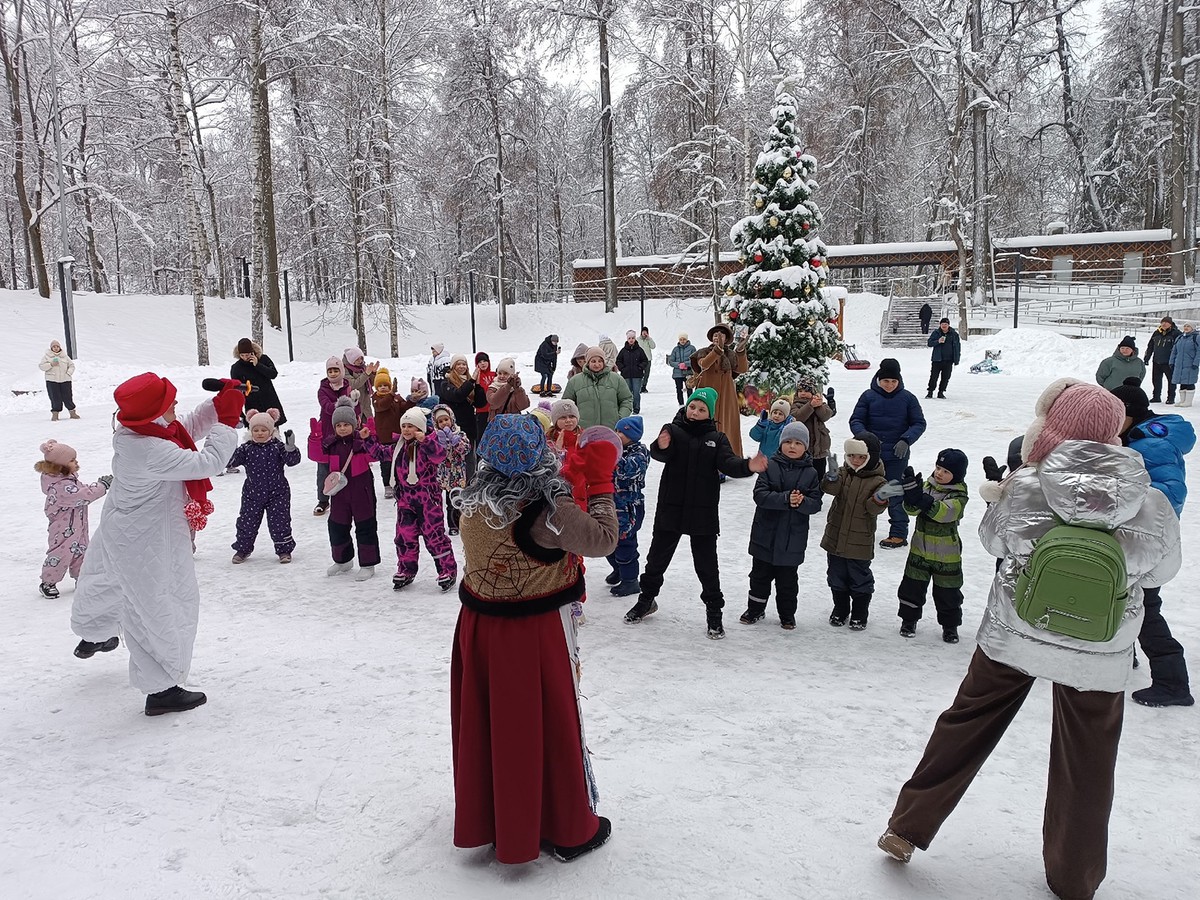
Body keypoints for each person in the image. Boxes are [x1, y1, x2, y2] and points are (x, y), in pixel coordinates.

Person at [878, 380, 1180, 900]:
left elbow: (992, 539)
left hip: (1015, 632)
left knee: (966, 724)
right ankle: (1074, 879)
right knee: (1088, 762)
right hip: (1100, 649)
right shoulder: (1147, 499)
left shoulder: (1028, 484)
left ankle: (906, 828)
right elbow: (1162, 571)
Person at [451, 414, 619, 864]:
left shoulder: (473, 497)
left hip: (480, 626)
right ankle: (565, 827)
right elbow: (603, 541)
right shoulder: (549, 510)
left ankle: (494, 817)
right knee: (546, 722)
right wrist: (601, 484)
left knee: (492, 724)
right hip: (533, 631)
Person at [71, 373, 243, 716]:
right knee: (164, 603)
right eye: (169, 404)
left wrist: (218, 403)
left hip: (123, 526)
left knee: (110, 581)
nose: (176, 407)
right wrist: (225, 422)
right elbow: (206, 462)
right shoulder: (149, 450)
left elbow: (185, 427)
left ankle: (94, 632)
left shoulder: (142, 431)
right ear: (153, 413)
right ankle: (161, 688)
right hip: (148, 537)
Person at [623, 387, 769, 639]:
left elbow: (729, 464)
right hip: (671, 507)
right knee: (657, 559)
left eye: (702, 409)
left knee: (707, 566)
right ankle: (646, 600)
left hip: (702, 512)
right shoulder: (673, 429)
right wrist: (660, 444)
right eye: (693, 406)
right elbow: (659, 453)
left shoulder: (717, 438)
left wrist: (748, 466)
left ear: (709, 413)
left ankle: (714, 612)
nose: (695, 411)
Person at [1109, 377, 1195, 707]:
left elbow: (1167, 497)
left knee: (1145, 607)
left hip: (1147, 541)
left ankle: (1173, 682)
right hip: (1141, 537)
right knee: (1128, 600)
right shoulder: (1139, 437)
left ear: (1128, 413)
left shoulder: (1147, 447)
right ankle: (1123, 651)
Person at [739, 422, 822, 630]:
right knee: (759, 577)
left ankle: (787, 614)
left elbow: (816, 504)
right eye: (787, 442)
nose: (792, 446)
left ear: (806, 447)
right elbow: (760, 495)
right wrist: (786, 499)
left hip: (792, 540)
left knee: (788, 582)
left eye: (797, 443)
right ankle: (755, 609)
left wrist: (802, 502)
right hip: (764, 536)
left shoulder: (811, 473)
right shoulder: (769, 466)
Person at [374, 407, 457, 590]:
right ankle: (406, 569)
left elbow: (439, 456)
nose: (406, 430)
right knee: (404, 537)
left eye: (410, 426)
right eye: (404, 426)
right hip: (405, 501)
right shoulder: (399, 447)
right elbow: (379, 453)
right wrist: (367, 438)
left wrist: (425, 441)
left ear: (419, 427)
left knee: (434, 536)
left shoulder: (429, 442)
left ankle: (447, 570)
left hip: (428, 501)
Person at [849, 358, 927, 549]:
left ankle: (898, 534)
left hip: (896, 456)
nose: (890, 385)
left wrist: (906, 439)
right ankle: (859, 531)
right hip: (870, 456)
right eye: (886, 381)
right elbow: (856, 420)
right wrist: (865, 436)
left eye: (894, 381)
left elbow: (919, 423)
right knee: (864, 493)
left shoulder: (908, 398)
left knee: (894, 492)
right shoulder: (868, 397)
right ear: (878, 380)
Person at [895, 449, 969, 642]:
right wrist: (911, 497)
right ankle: (908, 621)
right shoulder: (927, 486)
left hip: (947, 556)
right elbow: (911, 511)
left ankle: (950, 627)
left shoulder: (959, 495)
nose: (939, 473)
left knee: (948, 594)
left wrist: (923, 501)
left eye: (945, 471)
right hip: (919, 551)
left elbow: (946, 513)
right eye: (938, 468)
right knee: (911, 588)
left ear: (957, 475)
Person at [820, 433, 892, 629]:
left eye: (861, 457)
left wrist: (880, 498)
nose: (855, 461)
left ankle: (860, 612)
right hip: (835, 538)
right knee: (836, 576)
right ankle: (840, 609)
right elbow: (830, 489)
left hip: (859, 542)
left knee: (859, 578)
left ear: (871, 457)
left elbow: (872, 509)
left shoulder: (878, 481)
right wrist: (832, 476)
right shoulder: (844, 473)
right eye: (851, 456)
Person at [36, 439, 110, 599]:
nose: (76, 462)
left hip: (78, 526)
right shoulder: (60, 486)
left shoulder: (68, 479)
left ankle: (81, 578)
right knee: (61, 554)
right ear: (60, 465)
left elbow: (81, 489)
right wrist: (102, 486)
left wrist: (97, 485)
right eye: (72, 460)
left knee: (82, 553)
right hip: (63, 530)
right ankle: (48, 582)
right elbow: (83, 495)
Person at [227, 409, 301, 564]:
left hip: (278, 493)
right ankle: (242, 549)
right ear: (250, 431)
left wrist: (290, 447)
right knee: (247, 522)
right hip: (252, 494)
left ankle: (284, 550)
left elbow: (292, 461)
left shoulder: (278, 447)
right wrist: (226, 446)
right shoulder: (246, 449)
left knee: (280, 521)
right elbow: (230, 461)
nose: (259, 433)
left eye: (263, 430)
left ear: (271, 431)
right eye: (256, 430)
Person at [322, 396, 381, 581]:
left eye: (346, 424)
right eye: (338, 425)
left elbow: (375, 456)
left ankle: (368, 564)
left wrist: (371, 438)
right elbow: (316, 455)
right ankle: (343, 560)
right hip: (339, 494)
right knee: (337, 526)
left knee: (365, 526)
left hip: (361, 491)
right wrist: (315, 438)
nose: (342, 428)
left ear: (354, 424)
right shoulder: (331, 445)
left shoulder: (360, 444)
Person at [605, 415, 650, 597]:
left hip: (630, 507)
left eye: (621, 433)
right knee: (608, 541)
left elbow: (625, 471)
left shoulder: (639, 454)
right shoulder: (617, 449)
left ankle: (630, 580)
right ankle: (619, 569)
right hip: (612, 504)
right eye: (616, 431)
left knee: (625, 543)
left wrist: (607, 456)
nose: (617, 435)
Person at [690, 323, 749, 455]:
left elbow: (742, 369)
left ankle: (729, 458)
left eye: (722, 334)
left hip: (727, 397)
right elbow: (704, 364)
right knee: (707, 425)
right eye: (715, 334)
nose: (718, 336)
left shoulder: (731, 355)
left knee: (728, 426)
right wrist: (717, 351)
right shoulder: (704, 352)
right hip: (707, 394)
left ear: (727, 338)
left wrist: (740, 351)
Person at [313, 357, 353, 516]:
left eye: (336, 370)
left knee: (346, 464)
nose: (333, 373)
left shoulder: (348, 387)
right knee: (323, 468)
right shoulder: (323, 389)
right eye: (330, 370)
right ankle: (323, 500)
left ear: (342, 371)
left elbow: (353, 410)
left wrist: (353, 404)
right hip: (327, 432)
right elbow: (327, 407)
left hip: (345, 432)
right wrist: (343, 404)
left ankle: (346, 496)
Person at [562, 346, 633, 429]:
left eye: (600, 361)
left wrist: (620, 418)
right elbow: (566, 405)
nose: (597, 364)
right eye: (593, 361)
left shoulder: (616, 379)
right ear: (588, 362)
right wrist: (574, 422)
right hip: (583, 430)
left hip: (611, 429)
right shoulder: (575, 381)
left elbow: (626, 400)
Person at [432, 404, 471, 538]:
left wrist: (456, 441)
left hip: (457, 473)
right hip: (443, 474)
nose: (444, 423)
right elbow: (434, 455)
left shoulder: (460, 434)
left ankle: (458, 523)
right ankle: (445, 525)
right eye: (440, 421)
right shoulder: (435, 436)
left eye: (446, 419)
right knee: (443, 501)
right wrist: (441, 444)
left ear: (451, 419)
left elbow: (466, 450)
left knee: (456, 500)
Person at [372, 369, 410, 499]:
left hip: (397, 437)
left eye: (386, 385)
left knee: (399, 462)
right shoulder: (376, 399)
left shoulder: (396, 398)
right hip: (384, 439)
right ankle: (387, 485)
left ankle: (399, 483)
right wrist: (392, 394)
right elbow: (383, 406)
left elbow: (406, 409)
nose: (383, 388)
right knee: (386, 464)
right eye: (380, 386)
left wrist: (412, 399)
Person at [231, 338, 286, 426]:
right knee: (255, 430)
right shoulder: (236, 368)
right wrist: (240, 412)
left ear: (252, 352)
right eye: (242, 355)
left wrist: (258, 365)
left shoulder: (263, 359)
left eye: (247, 354)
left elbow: (273, 374)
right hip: (251, 403)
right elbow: (236, 389)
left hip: (269, 399)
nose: (245, 357)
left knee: (273, 428)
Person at [790, 376, 834, 479]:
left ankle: (818, 492)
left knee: (819, 475)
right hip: (803, 449)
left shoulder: (820, 404)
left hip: (820, 450)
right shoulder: (795, 405)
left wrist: (818, 406)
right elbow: (798, 417)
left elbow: (826, 416)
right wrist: (810, 405)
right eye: (800, 390)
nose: (803, 393)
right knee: (803, 475)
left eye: (806, 390)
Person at [1143, 316, 1181, 404]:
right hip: (1156, 360)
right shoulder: (1156, 333)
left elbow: (1179, 348)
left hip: (1169, 362)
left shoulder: (1176, 334)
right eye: (1162, 322)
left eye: (1166, 322)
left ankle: (1171, 398)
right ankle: (1156, 396)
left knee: (1171, 381)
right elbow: (1150, 346)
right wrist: (1147, 357)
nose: (1164, 324)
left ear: (1170, 324)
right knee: (1156, 380)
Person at [39, 339, 78, 420]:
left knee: (68, 397)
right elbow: (41, 366)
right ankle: (55, 414)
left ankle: (72, 412)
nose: (56, 348)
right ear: (51, 348)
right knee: (55, 397)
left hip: (65, 380)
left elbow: (72, 365)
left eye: (57, 346)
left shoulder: (64, 356)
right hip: (52, 380)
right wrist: (51, 364)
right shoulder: (47, 356)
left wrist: (68, 373)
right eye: (54, 347)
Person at [925, 318, 961, 400]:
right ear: (940, 325)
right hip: (937, 359)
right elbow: (929, 343)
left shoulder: (954, 334)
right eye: (942, 324)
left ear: (948, 325)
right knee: (934, 377)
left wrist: (956, 359)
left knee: (946, 377)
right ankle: (930, 392)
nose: (944, 326)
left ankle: (941, 392)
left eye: (946, 324)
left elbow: (957, 347)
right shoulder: (936, 333)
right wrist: (938, 341)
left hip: (949, 360)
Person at [616, 330, 649, 413]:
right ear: (627, 339)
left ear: (635, 339)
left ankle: (636, 408)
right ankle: (628, 408)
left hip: (637, 375)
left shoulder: (639, 350)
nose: (631, 340)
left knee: (636, 393)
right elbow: (618, 361)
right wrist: (622, 368)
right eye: (629, 338)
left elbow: (645, 360)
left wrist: (640, 367)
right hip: (626, 375)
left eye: (633, 338)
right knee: (627, 394)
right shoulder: (623, 351)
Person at [1168, 321, 1199, 408]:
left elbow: (1199, 351)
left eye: (1188, 326)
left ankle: (1188, 401)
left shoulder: (1196, 337)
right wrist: (1171, 361)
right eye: (1185, 326)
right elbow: (1174, 351)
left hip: (1190, 364)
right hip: (1179, 364)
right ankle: (1182, 400)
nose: (1186, 328)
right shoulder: (1180, 338)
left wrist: (1196, 362)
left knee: (1189, 382)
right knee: (1182, 382)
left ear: (1192, 328)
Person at [343, 347, 378, 419]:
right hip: (354, 406)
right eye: (357, 359)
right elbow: (354, 384)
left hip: (366, 406)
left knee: (370, 428)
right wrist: (366, 374)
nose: (360, 361)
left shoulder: (363, 367)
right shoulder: (345, 370)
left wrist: (373, 373)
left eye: (361, 358)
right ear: (351, 360)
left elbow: (371, 384)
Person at [667, 332, 696, 405]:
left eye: (684, 339)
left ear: (687, 339)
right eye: (681, 339)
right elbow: (671, 361)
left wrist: (686, 364)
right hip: (678, 374)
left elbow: (695, 360)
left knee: (689, 389)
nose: (682, 341)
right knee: (679, 390)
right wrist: (678, 365)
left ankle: (690, 404)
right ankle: (681, 405)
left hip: (688, 372)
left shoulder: (692, 348)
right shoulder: (675, 349)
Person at [472, 352, 495, 439]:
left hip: (494, 410)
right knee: (482, 437)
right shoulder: (475, 376)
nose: (482, 363)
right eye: (480, 362)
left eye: (484, 361)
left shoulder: (495, 375)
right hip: (481, 411)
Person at [637, 327, 656, 392]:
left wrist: (649, 339)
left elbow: (653, 346)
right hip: (640, 360)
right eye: (643, 332)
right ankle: (639, 386)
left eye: (646, 332)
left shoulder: (649, 339)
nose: (644, 333)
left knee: (646, 374)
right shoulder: (638, 340)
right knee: (640, 373)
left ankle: (644, 386)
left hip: (648, 359)